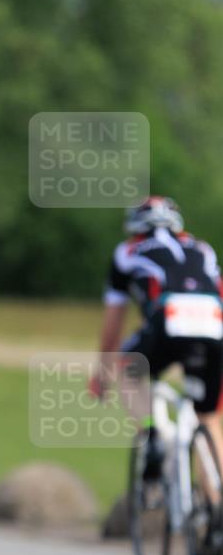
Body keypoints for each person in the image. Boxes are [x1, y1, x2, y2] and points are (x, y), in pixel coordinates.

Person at [91, 196, 223, 484]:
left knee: (128, 369)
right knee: (210, 418)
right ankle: (216, 506)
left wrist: (101, 376)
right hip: (214, 325)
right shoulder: (203, 249)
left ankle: (151, 434)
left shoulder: (127, 251)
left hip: (169, 319)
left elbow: (113, 326)